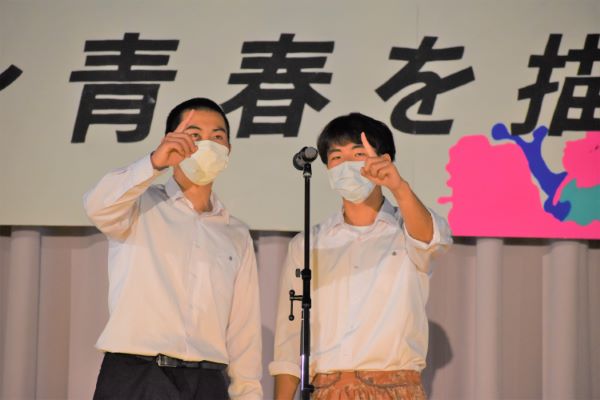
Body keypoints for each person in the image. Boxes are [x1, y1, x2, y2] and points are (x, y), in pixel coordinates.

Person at [84, 98, 262, 400]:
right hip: (138, 376)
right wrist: (154, 163)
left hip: (207, 381)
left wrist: (248, 393)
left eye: (217, 137)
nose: (207, 145)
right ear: (172, 141)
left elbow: (244, 329)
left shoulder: (235, 232)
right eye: (195, 135)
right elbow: (97, 205)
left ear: (228, 150)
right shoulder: (139, 205)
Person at [269, 113, 452, 399]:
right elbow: (290, 339)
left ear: (384, 160)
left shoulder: (406, 230)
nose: (347, 165)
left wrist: (399, 187)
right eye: (336, 157)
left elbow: (432, 241)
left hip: (395, 389)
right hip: (327, 389)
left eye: (358, 154)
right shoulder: (309, 243)